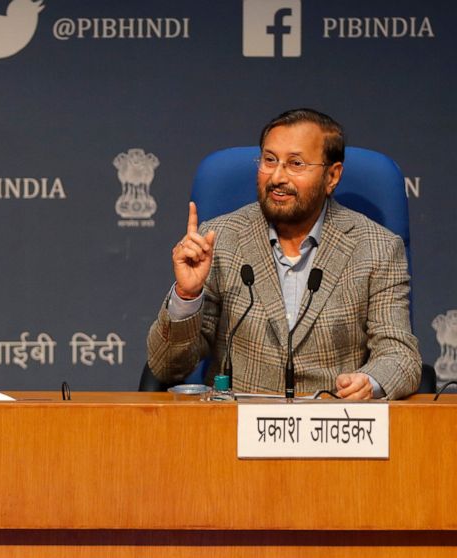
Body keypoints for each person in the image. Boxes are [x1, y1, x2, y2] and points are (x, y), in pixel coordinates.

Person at [146, 108, 419, 400]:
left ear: (332, 176)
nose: (277, 176)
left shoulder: (377, 247)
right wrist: (187, 296)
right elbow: (166, 366)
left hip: (331, 420)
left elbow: (400, 354)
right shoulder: (219, 239)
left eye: (295, 164)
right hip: (234, 421)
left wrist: (369, 382)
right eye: (269, 160)